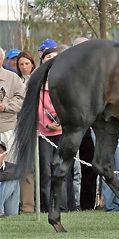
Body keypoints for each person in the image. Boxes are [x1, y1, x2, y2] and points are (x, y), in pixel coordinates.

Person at [38, 48, 75, 212]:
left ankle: (62, 206)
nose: (51, 59)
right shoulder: (37, 80)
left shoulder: (66, 80)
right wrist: (46, 124)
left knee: (62, 170)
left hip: (62, 131)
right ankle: (48, 206)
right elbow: (36, 107)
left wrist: (62, 121)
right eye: (47, 57)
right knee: (46, 172)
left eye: (54, 57)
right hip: (43, 133)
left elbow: (71, 103)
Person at [0, 47, 25, 216]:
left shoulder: (13, 78)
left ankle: (11, 212)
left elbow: (22, 99)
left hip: (7, 129)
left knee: (10, 171)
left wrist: (5, 106)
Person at [15, 51, 36, 213]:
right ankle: (21, 205)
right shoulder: (15, 80)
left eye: (26, 63)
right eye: (21, 64)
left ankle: (32, 205)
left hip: (35, 128)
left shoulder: (37, 80)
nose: (23, 67)